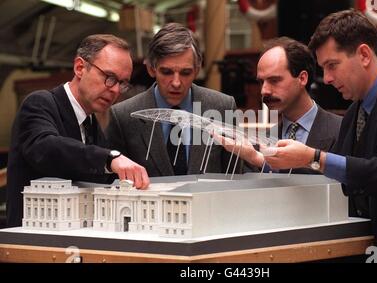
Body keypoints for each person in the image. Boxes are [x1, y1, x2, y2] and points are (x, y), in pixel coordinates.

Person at [264, 9, 377, 262]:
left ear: (363, 54)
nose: (327, 79)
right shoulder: (354, 111)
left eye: (332, 65)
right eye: (323, 69)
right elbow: (348, 179)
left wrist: (313, 157)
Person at [7, 34, 150, 227]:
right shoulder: (40, 103)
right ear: (80, 68)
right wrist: (110, 158)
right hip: (34, 240)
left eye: (122, 83)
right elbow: (46, 148)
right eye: (109, 78)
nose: (115, 90)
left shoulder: (91, 124)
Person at [106, 23, 239, 177]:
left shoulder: (223, 107)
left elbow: (234, 176)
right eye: (167, 72)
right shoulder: (123, 116)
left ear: (197, 70)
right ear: (151, 69)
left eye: (185, 73)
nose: (176, 83)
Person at [216, 37, 341, 173]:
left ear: (302, 78)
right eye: (261, 82)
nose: (264, 91)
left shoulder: (341, 130)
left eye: (274, 80)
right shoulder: (258, 145)